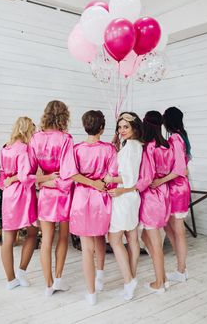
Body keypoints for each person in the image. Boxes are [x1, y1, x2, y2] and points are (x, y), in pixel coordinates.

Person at [29, 101, 105, 297]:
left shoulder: (35, 138)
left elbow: (28, 173)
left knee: (46, 240)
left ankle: (48, 285)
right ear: (64, 116)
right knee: (62, 237)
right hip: (63, 193)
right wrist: (55, 183)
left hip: (46, 193)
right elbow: (68, 171)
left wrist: (42, 182)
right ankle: (59, 279)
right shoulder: (66, 138)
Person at [69, 110, 118, 305]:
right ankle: (100, 278)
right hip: (101, 197)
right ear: (102, 128)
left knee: (86, 248)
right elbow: (112, 177)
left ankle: (91, 293)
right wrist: (99, 184)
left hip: (81, 198)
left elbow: (71, 174)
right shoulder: (110, 149)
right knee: (100, 238)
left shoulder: (76, 149)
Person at [104, 112, 143, 301]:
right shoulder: (135, 146)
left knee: (115, 239)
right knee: (132, 238)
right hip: (132, 196)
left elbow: (129, 176)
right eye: (119, 127)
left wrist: (111, 179)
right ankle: (132, 278)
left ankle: (128, 281)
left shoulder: (130, 148)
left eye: (125, 127)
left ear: (134, 128)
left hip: (124, 195)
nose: (121, 130)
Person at [135, 111, 174, 294]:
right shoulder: (167, 146)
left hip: (151, 198)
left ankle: (159, 283)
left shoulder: (150, 147)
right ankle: (163, 277)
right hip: (164, 195)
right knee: (146, 238)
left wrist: (132, 188)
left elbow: (147, 177)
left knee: (155, 242)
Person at [151, 107, 191, 282]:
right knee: (169, 226)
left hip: (176, 188)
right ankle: (181, 267)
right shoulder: (182, 136)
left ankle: (181, 270)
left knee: (178, 230)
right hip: (177, 187)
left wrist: (160, 181)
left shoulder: (175, 138)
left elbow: (180, 169)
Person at [0, 117, 38, 290]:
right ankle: (22, 270)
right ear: (27, 130)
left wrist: (7, 182)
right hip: (23, 194)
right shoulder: (24, 149)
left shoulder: (5, 147)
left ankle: (11, 280)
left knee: (8, 239)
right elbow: (24, 176)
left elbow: (2, 177)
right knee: (32, 232)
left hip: (8, 195)